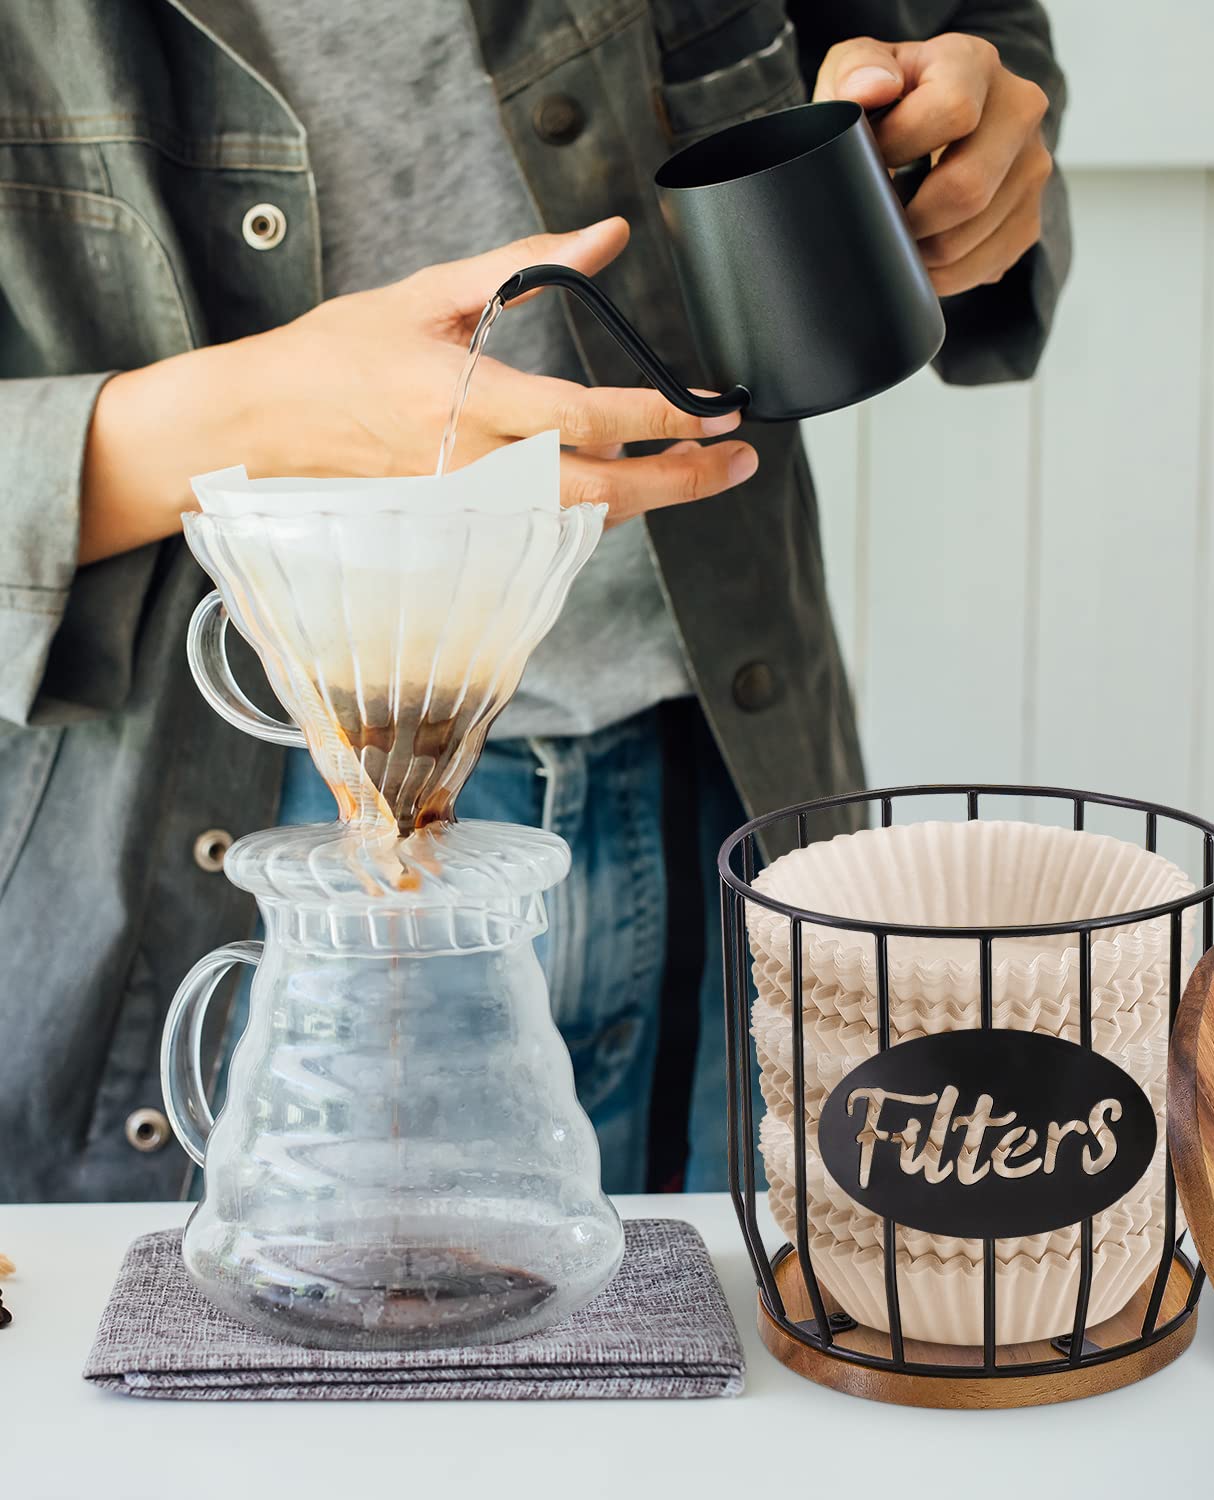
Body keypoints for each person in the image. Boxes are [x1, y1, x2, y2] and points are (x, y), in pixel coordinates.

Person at [0, 2, 1068, 1202]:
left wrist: (970, 142)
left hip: (721, 769)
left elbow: (966, 40)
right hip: (233, 816)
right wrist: (250, 424)